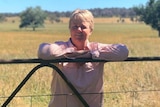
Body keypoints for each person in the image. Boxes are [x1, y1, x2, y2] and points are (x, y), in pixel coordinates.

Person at [38, 9, 129, 107]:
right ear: (69, 29)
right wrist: (71, 53)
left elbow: (123, 51)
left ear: (91, 30)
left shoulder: (96, 48)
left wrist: (91, 55)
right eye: (75, 27)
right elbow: (43, 51)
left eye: (83, 27)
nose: (78, 30)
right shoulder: (61, 47)